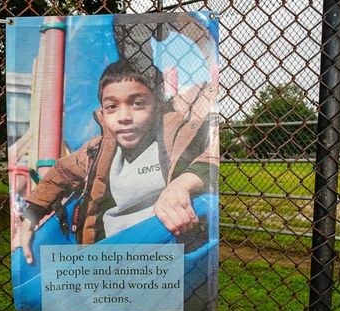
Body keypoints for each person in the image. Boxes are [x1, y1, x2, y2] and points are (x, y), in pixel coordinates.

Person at [18, 58, 218, 264]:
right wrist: (31, 214)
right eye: (112, 106)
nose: (124, 117)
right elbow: (61, 172)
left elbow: (213, 152)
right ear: (102, 113)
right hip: (110, 257)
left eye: (137, 103)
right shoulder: (100, 147)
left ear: (157, 104)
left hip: (164, 258)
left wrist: (181, 184)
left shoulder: (176, 134)